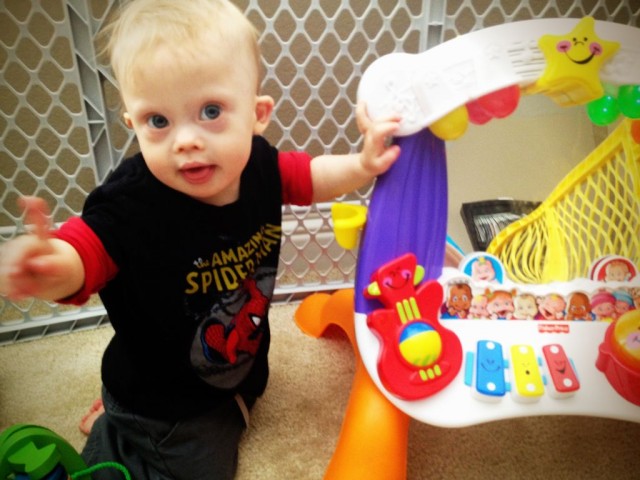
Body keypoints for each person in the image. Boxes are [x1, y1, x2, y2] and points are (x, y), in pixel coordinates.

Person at [0, 1, 401, 478]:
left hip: (230, 366)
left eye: (210, 111)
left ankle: (127, 421)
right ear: (132, 123)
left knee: (244, 400)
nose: (185, 140)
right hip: (164, 406)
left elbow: (309, 176)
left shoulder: (258, 164)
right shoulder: (130, 204)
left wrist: (361, 166)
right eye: (158, 121)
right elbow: (85, 252)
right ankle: (120, 436)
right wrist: (48, 267)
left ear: (257, 115)